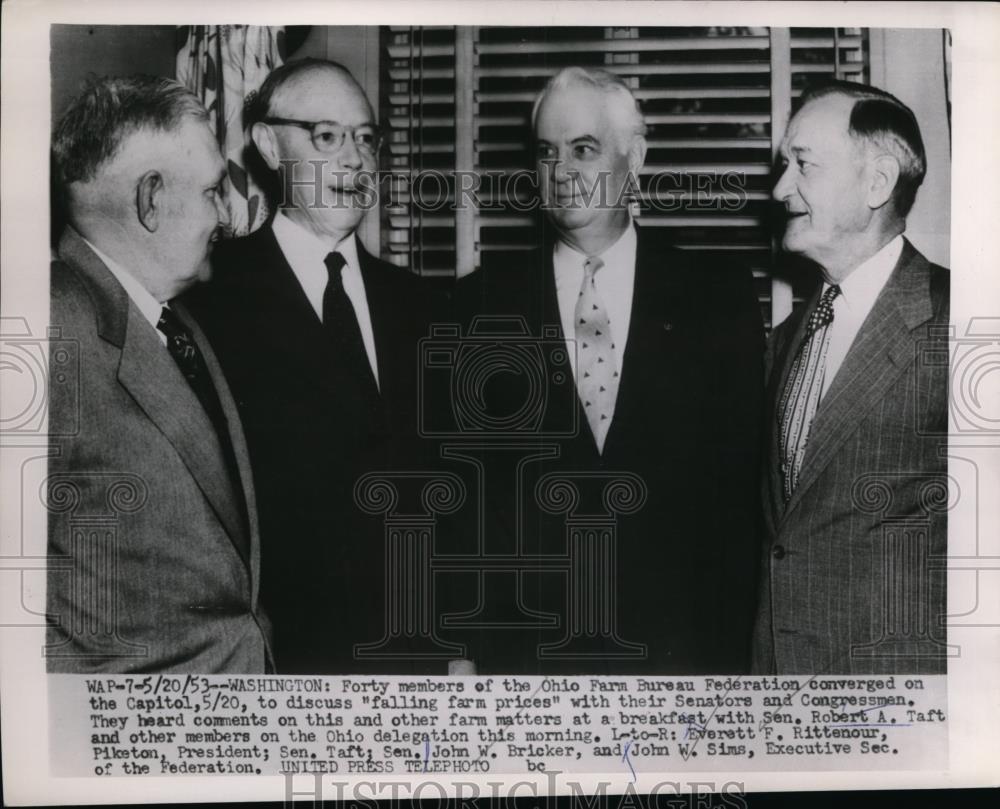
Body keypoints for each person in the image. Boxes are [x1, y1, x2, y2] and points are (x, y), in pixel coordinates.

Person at [453, 66, 765, 674]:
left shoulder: (716, 297)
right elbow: (461, 502)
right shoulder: (477, 305)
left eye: (584, 149)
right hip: (526, 662)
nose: (561, 171)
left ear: (636, 155)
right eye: (546, 153)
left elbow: (736, 507)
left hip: (680, 661)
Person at [186, 59, 440, 674]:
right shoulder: (207, 304)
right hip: (281, 665)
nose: (355, 161)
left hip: (417, 661)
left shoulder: (427, 306)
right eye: (326, 136)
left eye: (365, 138)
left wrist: (457, 646)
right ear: (270, 146)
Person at [47, 75, 272, 673]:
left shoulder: (177, 322)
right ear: (151, 200)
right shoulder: (48, 325)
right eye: (212, 192)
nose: (227, 217)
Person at [752, 80, 949, 675]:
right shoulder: (786, 339)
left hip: (902, 705)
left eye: (803, 164)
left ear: (877, 182)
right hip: (777, 690)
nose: (781, 188)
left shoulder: (962, 320)